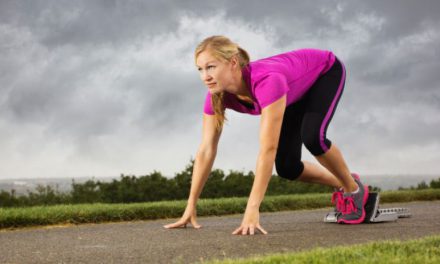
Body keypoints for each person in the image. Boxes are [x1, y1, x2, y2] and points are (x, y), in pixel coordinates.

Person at [163, 35, 369, 235]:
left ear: (232, 63)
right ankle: (343, 181)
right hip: (292, 91)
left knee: (313, 138)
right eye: (200, 69)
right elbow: (206, 150)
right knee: (288, 167)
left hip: (323, 72)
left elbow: (268, 149)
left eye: (211, 67)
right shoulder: (216, 95)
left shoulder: (267, 82)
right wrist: (190, 205)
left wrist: (252, 208)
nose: (204, 76)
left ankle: (354, 191)